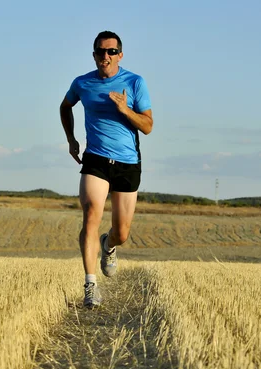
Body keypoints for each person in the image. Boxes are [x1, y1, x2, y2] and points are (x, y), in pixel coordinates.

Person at [60, 31, 153, 309]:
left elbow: (147, 126)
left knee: (121, 233)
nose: (105, 56)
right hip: (96, 159)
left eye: (111, 51)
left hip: (127, 163)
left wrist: (125, 110)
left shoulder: (135, 82)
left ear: (120, 55)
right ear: (94, 55)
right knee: (90, 215)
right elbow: (65, 106)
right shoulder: (82, 83)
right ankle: (90, 286)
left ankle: (108, 245)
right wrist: (71, 139)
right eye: (100, 51)